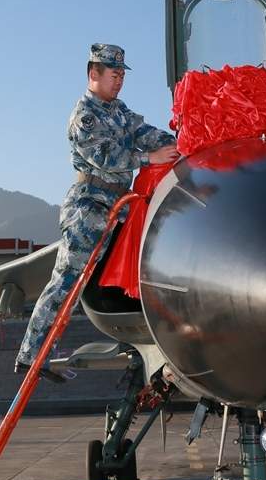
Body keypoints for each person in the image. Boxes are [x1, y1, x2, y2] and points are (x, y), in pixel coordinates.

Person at [15, 43, 179, 380]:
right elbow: (105, 157)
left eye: (122, 75)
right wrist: (148, 159)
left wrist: (180, 143)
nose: (119, 81)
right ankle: (32, 357)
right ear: (94, 73)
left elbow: (145, 133)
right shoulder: (85, 115)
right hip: (89, 206)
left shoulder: (119, 111)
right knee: (67, 282)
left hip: (117, 207)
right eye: (113, 74)